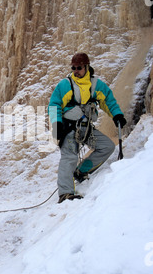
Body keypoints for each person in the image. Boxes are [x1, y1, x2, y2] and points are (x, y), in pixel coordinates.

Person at [48, 53, 126, 204]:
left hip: (85, 128)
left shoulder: (96, 85)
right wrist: (56, 124)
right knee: (69, 157)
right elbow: (54, 104)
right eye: (73, 68)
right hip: (69, 128)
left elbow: (108, 101)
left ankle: (81, 171)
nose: (75, 70)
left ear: (87, 67)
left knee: (107, 146)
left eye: (79, 68)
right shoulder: (66, 85)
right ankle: (65, 193)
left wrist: (117, 115)